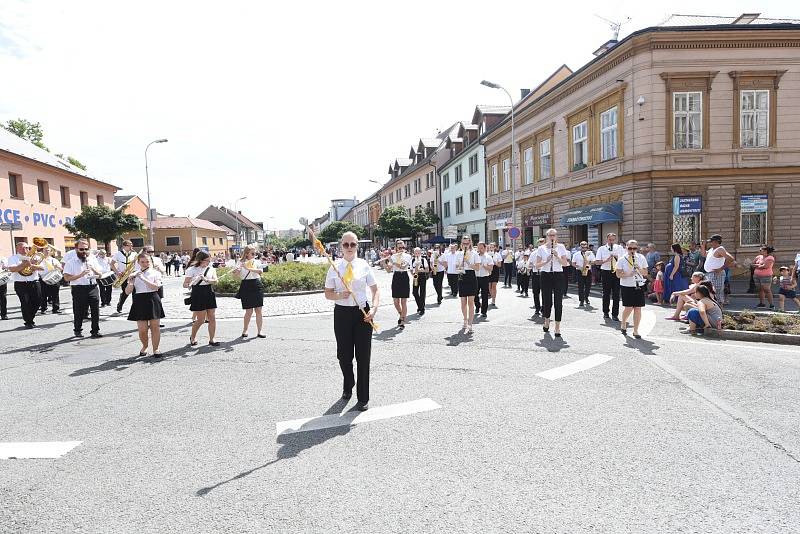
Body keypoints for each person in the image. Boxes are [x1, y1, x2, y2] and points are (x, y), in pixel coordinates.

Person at [324, 231, 379, 411]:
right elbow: (328, 293)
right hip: (342, 314)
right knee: (344, 356)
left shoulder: (364, 265)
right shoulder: (334, 267)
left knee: (364, 356)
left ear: (357, 246)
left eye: (352, 244)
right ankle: (349, 383)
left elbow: (375, 290)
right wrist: (340, 294)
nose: (349, 247)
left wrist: (375, 309)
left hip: (362, 313)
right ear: (341, 246)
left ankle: (363, 397)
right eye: (346, 244)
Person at [62, 239, 103, 338]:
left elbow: (100, 275)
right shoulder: (71, 262)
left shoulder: (92, 259)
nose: (84, 251)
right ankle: (77, 330)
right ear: (76, 249)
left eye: (86, 249)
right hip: (78, 288)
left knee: (95, 310)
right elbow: (66, 278)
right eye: (81, 249)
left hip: (92, 286)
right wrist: (80, 275)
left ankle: (95, 331)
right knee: (79, 310)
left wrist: (93, 269)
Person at [126, 253, 164, 356]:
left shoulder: (155, 273)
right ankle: (145, 346)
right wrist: (131, 282)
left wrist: (143, 278)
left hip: (152, 298)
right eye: (142, 262)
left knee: (155, 327)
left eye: (147, 261)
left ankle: (156, 349)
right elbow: (127, 292)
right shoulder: (134, 273)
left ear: (150, 262)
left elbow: (156, 287)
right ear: (138, 262)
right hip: (139, 300)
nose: (145, 264)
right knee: (142, 329)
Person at [534, 228, 570, 337]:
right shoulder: (541, 248)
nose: (552, 237)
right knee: (546, 300)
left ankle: (557, 326)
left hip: (558, 274)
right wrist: (547, 260)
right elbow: (537, 265)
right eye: (550, 235)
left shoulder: (561, 247)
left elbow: (565, 264)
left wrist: (557, 256)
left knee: (558, 301)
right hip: (546, 275)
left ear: (556, 236)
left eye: (554, 235)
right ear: (547, 236)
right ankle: (546, 321)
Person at [184, 251, 219, 346]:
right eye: (207, 260)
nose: (208, 262)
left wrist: (206, 280)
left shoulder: (211, 269)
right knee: (200, 320)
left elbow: (216, 281)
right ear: (200, 260)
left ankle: (212, 339)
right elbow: (185, 284)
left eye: (209, 260)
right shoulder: (192, 270)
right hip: (198, 293)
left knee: (212, 317)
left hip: (209, 292)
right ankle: (193, 336)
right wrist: (191, 281)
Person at [6, 241, 44, 329]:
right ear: (17, 249)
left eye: (27, 247)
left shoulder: (35, 257)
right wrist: (23, 264)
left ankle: (29, 317)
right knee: (25, 302)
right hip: (20, 284)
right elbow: (12, 269)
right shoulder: (13, 258)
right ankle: (29, 321)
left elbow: (42, 268)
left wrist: (32, 265)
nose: (25, 249)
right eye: (22, 248)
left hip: (34, 282)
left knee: (38, 301)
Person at [616, 240, 649, 338]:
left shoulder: (641, 257)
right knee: (629, 308)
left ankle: (636, 330)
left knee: (638, 308)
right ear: (626, 248)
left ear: (637, 248)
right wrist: (628, 274)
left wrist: (639, 268)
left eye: (634, 248)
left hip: (638, 284)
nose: (632, 250)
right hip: (626, 285)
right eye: (630, 248)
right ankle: (623, 323)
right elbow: (618, 274)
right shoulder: (622, 259)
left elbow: (645, 273)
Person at [700, 234, 739, 306]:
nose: (710, 243)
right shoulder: (712, 249)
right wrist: (703, 246)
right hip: (710, 273)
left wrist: (721, 268)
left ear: (716, 242)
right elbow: (704, 255)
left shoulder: (720, 249)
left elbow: (731, 259)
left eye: (712, 241)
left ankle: (719, 308)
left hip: (717, 274)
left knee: (717, 292)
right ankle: (713, 307)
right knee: (710, 291)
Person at [237, 245, 266, 338]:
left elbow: (260, 271)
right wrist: (237, 270)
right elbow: (236, 276)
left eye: (255, 253)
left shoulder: (256, 261)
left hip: (256, 284)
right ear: (246, 253)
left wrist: (248, 268)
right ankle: (245, 330)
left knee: (259, 309)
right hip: (246, 285)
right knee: (248, 311)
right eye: (252, 253)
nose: (254, 254)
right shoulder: (240, 262)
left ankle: (260, 331)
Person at [595, 233, 624, 321]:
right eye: (610, 240)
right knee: (606, 293)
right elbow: (597, 262)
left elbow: (624, 260)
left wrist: (616, 257)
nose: (611, 241)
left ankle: (615, 314)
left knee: (616, 294)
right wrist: (606, 260)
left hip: (616, 272)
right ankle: (605, 312)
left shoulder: (619, 248)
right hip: (606, 272)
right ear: (607, 239)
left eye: (613, 240)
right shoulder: (602, 248)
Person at [382, 239, 411, 328]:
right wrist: (384, 262)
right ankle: (401, 314)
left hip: (404, 276)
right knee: (395, 301)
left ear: (404, 247)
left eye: (402, 247)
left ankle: (402, 321)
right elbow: (388, 270)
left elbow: (403, 267)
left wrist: (392, 261)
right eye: (399, 248)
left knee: (403, 301)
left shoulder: (407, 256)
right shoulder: (393, 256)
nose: (401, 249)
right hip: (396, 277)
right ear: (396, 248)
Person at [456, 235, 479, 332]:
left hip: (471, 276)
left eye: (467, 243)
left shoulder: (474, 253)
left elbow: (477, 267)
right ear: (461, 243)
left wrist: (468, 262)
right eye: (464, 243)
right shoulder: (459, 254)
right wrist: (461, 263)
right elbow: (457, 268)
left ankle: (470, 323)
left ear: (470, 243)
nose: (465, 245)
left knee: (470, 301)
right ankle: (465, 319)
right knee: (463, 302)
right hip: (462, 276)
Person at [111, 240, 137, 313]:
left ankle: (134, 308)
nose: (131, 246)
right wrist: (117, 272)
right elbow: (112, 264)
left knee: (134, 292)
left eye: (132, 245)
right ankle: (120, 305)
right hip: (123, 276)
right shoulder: (118, 254)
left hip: (132, 276)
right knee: (125, 292)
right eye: (129, 245)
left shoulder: (135, 253)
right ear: (124, 246)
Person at [38, 247, 62, 314]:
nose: (47, 252)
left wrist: (58, 267)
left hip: (53, 278)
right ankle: (43, 309)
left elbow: (60, 268)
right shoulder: (39, 260)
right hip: (43, 279)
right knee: (43, 295)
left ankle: (56, 308)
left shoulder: (54, 260)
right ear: (42, 251)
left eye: (48, 250)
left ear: (51, 252)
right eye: (45, 250)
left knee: (55, 294)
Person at [571, 241, 594, 307]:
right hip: (579, 271)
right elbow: (573, 263)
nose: (583, 247)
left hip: (588, 270)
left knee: (588, 285)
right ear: (580, 247)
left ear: (587, 246)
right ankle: (581, 300)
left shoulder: (590, 253)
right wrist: (579, 267)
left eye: (585, 246)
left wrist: (588, 262)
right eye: (582, 246)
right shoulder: (576, 254)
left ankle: (586, 297)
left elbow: (594, 262)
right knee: (580, 286)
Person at [475, 242, 494, 318]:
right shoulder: (475, 256)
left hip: (485, 277)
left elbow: (491, 269)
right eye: (478, 248)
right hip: (476, 277)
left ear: (485, 248)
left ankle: (484, 311)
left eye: (481, 248)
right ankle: (477, 305)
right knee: (474, 294)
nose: (480, 250)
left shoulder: (488, 257)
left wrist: (484, 266)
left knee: (484, 295)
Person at [411, 247, 430, 316]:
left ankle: (422, 308)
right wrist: (413, 274)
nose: (417, 254)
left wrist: (421, 270)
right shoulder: (412, 260)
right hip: (415, 276)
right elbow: (411, 269)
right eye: (416, 253)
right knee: (414, 292)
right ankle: (420, 306)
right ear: (414, 253)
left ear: (420, 253)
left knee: (422, 292)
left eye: (418, 253)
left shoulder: (423, 259)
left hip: (422, 276)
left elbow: (427, 270)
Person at [529, 238, 544, 315]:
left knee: (544, 292)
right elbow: (529, 264)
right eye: (539, 243)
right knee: (535, 292)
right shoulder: (533, 253)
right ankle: (537, 308)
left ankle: (544, 308)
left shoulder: (547, 252)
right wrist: (535, 265)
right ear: (538, 244)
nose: (541, 244)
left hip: (544, 274)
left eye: (542, 242)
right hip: (535, 274)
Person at [488, 242, 502, 307]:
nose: (491, 248)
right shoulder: (487, 254)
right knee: (489, 287)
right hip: (488, 270)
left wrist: (495, 262)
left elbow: (500, 265)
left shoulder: (498, 255)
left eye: (492, 247)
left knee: (494, 286)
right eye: (490, 247)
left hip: (495, 270)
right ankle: (491, 295)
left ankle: (493, 300)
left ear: (495, 247)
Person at [0, 254, 8, 320]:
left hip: (2, 280)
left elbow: (7, 268)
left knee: (3, 297)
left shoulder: (3, 258)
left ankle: (4, 314)